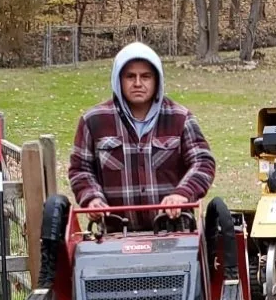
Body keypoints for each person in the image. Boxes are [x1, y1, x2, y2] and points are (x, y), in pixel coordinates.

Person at [68, 41, 216, 230]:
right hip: (114, 237)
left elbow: (203, 162)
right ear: (118, 79)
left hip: (174, 233)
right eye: (130, 76)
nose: (138, 83)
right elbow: (80, 169)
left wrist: (183, 194)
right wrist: (92, 198)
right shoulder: (94, 120)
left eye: (145, 76)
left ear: (157, 80)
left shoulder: (180, 118)